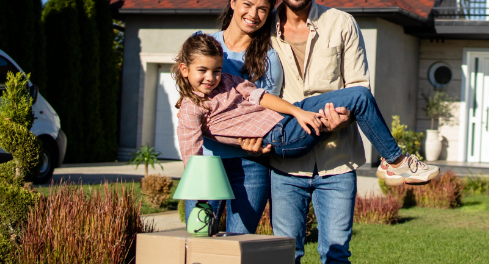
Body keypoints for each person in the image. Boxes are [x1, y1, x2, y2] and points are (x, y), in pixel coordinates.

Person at [267, 0, 431, 264]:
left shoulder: (341, 23)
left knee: (335, 253)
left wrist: (334, 116)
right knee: (288, 255)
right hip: (286, 166)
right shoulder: (265, 32)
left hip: (337, 162)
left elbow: (358, 85)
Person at [172, 32, 437, 176]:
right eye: (202, 71)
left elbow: (261, 96)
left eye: (215, 70)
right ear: (185, 70)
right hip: (281, 137)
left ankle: (393, 163)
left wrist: (299, 111)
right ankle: (397, 161)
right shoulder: (191, 109)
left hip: (286, 120)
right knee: (355, 102)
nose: (211, 77)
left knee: (359, 95)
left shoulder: (228, 81)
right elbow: (191, 157)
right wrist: (199, 200)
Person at [181, 0, 284, 234]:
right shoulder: (205, 44)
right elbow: (187, 100)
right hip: (207, 162)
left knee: (239, 247)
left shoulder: (268, 59)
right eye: (247, 5)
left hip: (250, 165)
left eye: (263, 9)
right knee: (198, 238)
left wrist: (260, 143)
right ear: (233, 2)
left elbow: (267, 108)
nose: (254, 14)